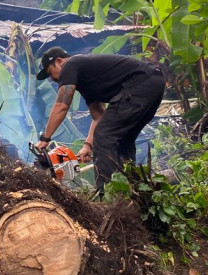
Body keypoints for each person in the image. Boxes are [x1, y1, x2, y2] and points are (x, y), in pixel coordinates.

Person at [35, 46, 165, 191]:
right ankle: (132, 190)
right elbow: (99, 117)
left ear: (59, 61)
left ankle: (108, 194)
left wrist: (45, 139)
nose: (52, 79)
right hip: (154, 83)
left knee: (105, 135)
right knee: (123, 140)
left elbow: (61, 106)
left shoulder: (70, 65)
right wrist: (87, 146)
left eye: (50, 73)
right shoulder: (87, 80)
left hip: (141, 82)